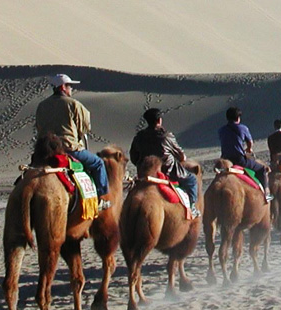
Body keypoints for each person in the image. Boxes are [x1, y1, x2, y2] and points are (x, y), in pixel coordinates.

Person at [35, 73, 111, 210]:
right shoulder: (74, 104)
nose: (71, 89)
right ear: (63, 87)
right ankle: (100, 198)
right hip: (69, 149)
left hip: (44, 151)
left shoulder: (41, 105)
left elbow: (38, 126)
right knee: (98, 163)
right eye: (69, 86)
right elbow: (85, 127)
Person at [129, 108, 200, 215]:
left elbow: (134, 158)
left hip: (145, 174)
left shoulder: (139, 137)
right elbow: (181, 157)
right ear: (159, 120)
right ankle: (192, 207)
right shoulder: (166, 136)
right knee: (192, 181)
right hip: (169, 173)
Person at [218, 106, 271, 201]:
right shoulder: (242, 128)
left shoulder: (221, 130)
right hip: (239, 160)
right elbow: (250, 142)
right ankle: (267, 194)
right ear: (238, 118)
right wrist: (249, 149)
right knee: (262, 169)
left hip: (225, 159)